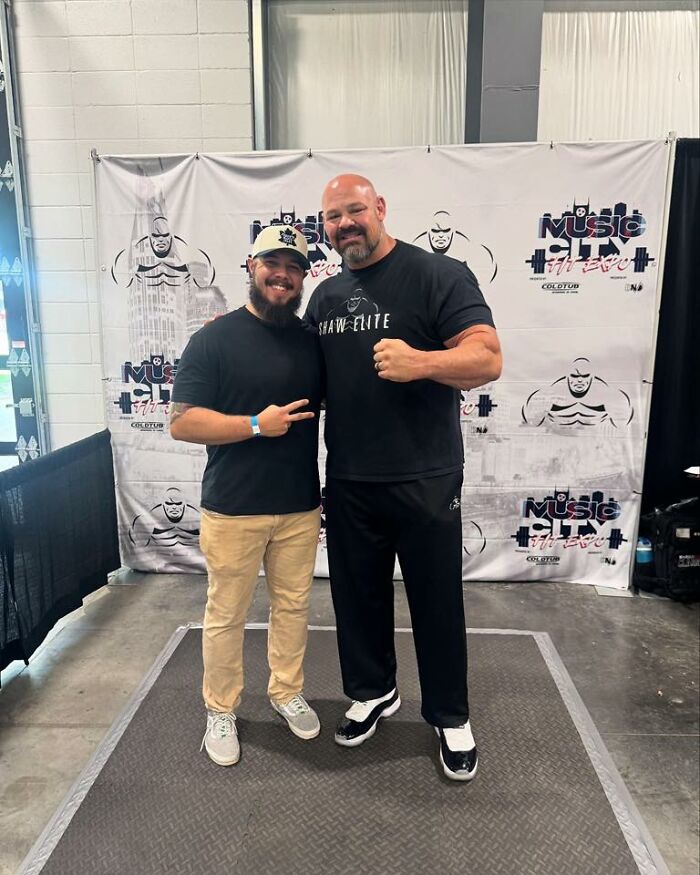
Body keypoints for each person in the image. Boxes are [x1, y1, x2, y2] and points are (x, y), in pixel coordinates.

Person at [304, 174, 502, 781]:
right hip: (351, 478)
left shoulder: (437, 275)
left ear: (381, 209)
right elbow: (299, 371)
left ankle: (448, 715)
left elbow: (487, 357)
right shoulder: (327, 297)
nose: (345, 225)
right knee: (355, 599)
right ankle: (374, 692)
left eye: (355, 210)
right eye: (333, 217)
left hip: (425, 474)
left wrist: (421, 362)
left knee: (435, 601)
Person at [170, 225, 324, 767]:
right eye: (272, 264)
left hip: (301, 508)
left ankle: (285, 690)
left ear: (304, 277)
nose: (282, 275)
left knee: (293, 607)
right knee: (227, 614)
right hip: (233, 509)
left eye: (294, 267)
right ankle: (221, 708)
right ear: (251, 266)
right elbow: (183, 422)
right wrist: (256, 425)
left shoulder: (311, 341)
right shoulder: (213, 339)